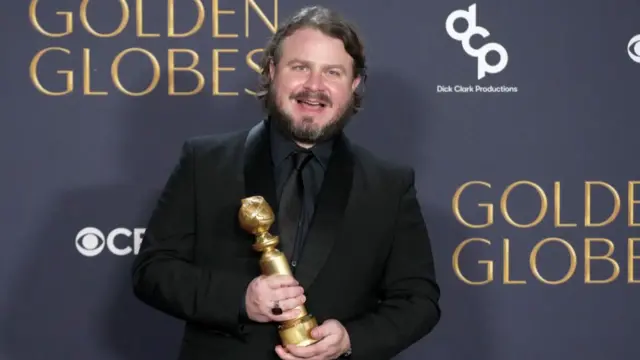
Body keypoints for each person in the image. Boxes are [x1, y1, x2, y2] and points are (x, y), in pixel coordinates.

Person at [131, 5, 441, 360]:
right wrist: (239, 299)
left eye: (333, 73)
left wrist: (349, 338)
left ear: (354, 85)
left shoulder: (389, 184)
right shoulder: (204, 162)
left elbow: (418, 301)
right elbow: (152, 271)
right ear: (272, 71)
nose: (315, 86)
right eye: (300, 67)